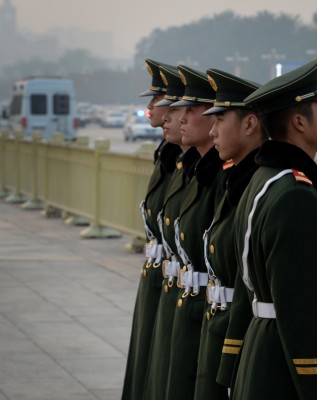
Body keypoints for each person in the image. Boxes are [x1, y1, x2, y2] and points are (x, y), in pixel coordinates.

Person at [231, 56, 317, 399]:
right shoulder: (295, 196)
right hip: (285, 370)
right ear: (299, 121)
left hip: (265, 349)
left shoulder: (265, 179)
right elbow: (304, 312)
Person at [195, 68, 265, 399]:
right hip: (219, 319)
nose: (212, 131)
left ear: (250, 124)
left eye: (219, 120)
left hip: (243, 330)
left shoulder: (260, 187)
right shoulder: (238, 181)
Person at [161, 64, 224, 400]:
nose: (179, 118)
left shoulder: (222, 178)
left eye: (189, 110)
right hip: (187, 293)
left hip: (207, 303)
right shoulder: (191, 168)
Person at [121, 59, 182, 400]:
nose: (149, 109)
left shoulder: (185, 160)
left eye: (156, 101)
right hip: (161, 272)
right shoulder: (168, 153)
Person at [144, 64, 201, 400]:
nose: (162, 113)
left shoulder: (207, 173)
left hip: (197, 297)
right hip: (173, 283)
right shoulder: (173, 160)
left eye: (182, 109)